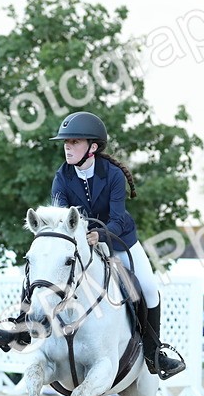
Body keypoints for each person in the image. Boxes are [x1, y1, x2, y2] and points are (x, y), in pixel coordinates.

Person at [47, 111, 184, 379]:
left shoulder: (112, 175)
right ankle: (24, 326)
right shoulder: (62, 176)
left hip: (118, 238)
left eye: (74, 141)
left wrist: (101, 234)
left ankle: (154, 353)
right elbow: (60, 218)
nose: (67, 146)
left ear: (92, 147)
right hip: (80, 244)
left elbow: (119, 218)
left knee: (148, 287)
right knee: (46, 273)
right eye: (66, 142)